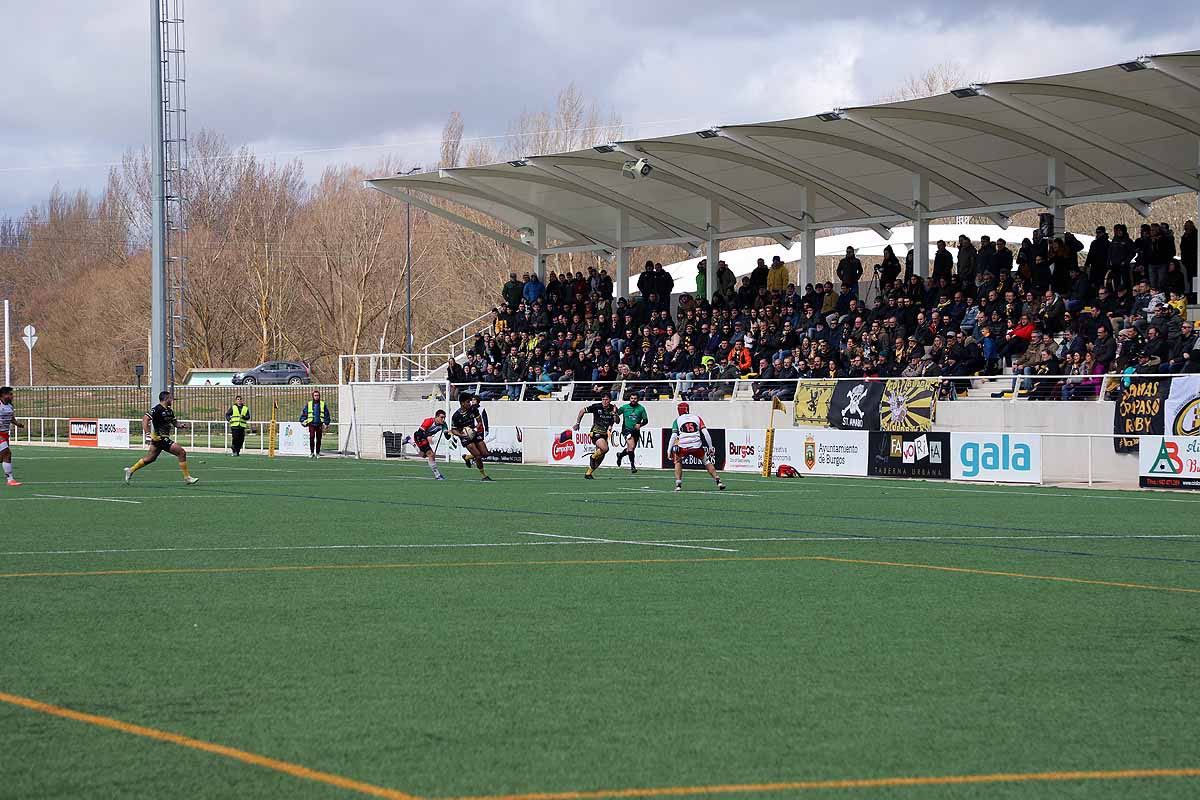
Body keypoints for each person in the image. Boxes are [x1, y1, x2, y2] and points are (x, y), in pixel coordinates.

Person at [125, 390, 198, 485]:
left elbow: (174, 423)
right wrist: (148, 434)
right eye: (170, 398)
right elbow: (145, 419)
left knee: (150, 458)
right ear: (166, 399)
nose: (172, 400)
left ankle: (131, 470)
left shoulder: (169, 411)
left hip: (161, 439)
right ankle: (187, 477)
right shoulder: (157, 409)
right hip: (160, 438)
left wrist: (180, 425)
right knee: (181, 452)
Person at [668, 401, 726, 492]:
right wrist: (710, 447)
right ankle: (718, 481)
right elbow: (706, 433)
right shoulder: (697, 418)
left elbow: (673, 436)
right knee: (706, 461)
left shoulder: (677, 420)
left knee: (677, 461)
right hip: (697, 445)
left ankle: (678, 484)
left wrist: (668, 450)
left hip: (683, 446)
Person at [573, 394, 619, 479]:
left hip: (605, 434)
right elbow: (582, 411)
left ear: (610, 400)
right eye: (603, 399)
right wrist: (578, 423)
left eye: (607, 399)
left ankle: (588, 473)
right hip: (595, 432)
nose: (605, 401)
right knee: (605, 448)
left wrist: (615, 413)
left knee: (601, 457)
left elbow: (617, 421)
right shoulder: (596, 406)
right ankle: (592, 456)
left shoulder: (613, 408)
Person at [450, 394, 492, 480]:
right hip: (465, 437)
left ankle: (467, 457)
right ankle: (484, 475)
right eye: (467, 402)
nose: (470, 403)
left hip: (474, 433)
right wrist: (462, 435)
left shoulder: (473, 409)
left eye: (470, 401)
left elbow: (479, 421)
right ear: (462, 403)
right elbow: (453, 430)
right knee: (478, 456)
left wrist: (475, 429)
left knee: (485, 454)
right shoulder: (456, 416)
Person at [614, 391, 649, 473]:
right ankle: (632, 466)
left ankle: (620, 455)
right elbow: (616, 415)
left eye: (635, 398)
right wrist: (615, 412)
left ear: (638, 399)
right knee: (632, 446)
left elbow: (646, 420)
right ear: (629, 399)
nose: (633, 400)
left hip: (636, 431)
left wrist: (640, 424)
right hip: (626, 430)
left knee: (631, 449)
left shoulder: (641, 408)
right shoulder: (625, 407)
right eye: (632, 398)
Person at [411, 409, 450, 480]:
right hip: (420, 436)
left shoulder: (443, 424)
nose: (443, 419)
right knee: (431, 454)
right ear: (436, 417)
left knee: (423, 455)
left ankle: (411, 442)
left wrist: (449, 433)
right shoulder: (428, 421)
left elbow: (447, 437)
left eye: (444, 417)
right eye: (441, 417)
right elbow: (420, 432)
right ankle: (437, 475)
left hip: (425, 438)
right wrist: (428, 436)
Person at [0, 386, 25, 486]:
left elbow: (11, 417)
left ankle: (10, 480)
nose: (12, 396)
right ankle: (10, 480)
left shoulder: (10, 405)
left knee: (3, 457)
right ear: (3, 395)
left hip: (5, 433)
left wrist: (17, 424)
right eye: (10, 394)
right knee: (7, 453)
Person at [299, 390, 331, 458]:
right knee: (311, 437)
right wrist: (302, 421)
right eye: (315, 395)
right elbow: (304, 413)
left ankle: (318, 452)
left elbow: (326, 414)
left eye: (318, 395)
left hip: (319, 424)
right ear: (313, 396)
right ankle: (312, 452)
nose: (316, 397)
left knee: (319, 439)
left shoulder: (322, 404)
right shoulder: (309, 404)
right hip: (311, 423)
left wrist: (326, 423)